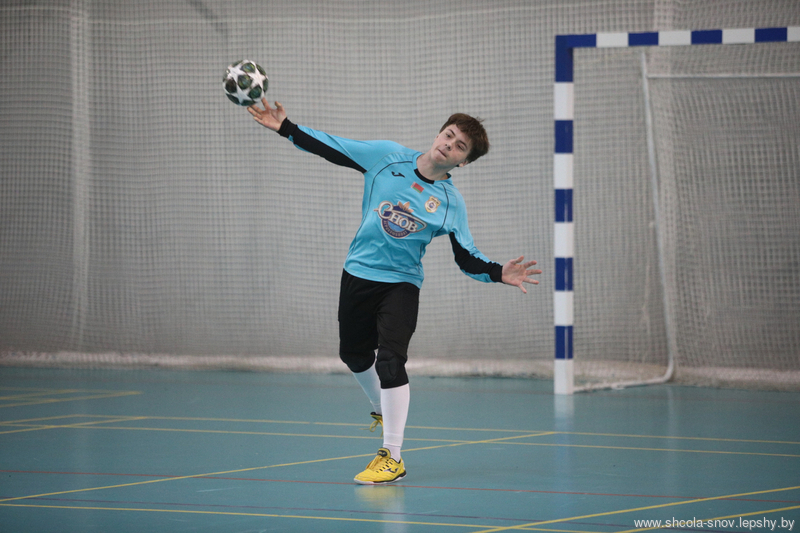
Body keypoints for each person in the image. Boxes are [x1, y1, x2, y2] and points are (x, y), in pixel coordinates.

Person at [248, 99, 542, 484]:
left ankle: (393, 457)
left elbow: (467, 257)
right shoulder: (387, 157)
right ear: (438, 134)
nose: (449, 145)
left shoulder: (451, 204)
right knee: (353, 354)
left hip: (402, 284)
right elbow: (334, 147)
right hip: (358, 273)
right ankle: (381, 406)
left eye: (459, 146)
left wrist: (498, 272)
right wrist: (287, 128)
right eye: (448, 135)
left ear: (463, 163)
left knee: (390, 361)